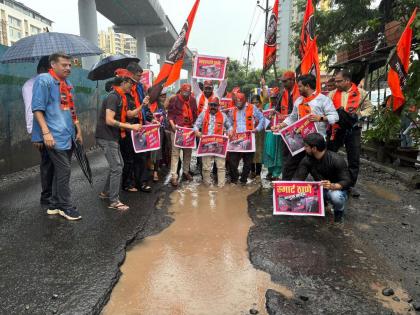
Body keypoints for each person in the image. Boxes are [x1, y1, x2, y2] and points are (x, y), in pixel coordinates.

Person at [32, 52, 83, 221]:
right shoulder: (44, 80)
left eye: (69, 65)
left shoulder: (67, 83)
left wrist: (78, 129)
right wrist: (45, 133)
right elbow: (37, 108)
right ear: (53, 65)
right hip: (54, 135)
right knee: (64, 170)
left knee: (58, 170)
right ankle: (65, 206)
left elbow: (71, 109)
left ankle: (54, 204)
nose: (68, 68)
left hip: (67, 134)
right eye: (64, 65)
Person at [275, 74, 339, 180]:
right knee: (289, 166)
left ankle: (322, 191)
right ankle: (287, 190)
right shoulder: (299, 101)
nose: (298, 89)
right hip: (301, 141)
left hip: (317, 143)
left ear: (307, 86)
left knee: (318, 170)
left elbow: (335, 117)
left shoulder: (323, 100)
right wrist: (280, 125)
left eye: (300, 86)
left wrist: (320, 118)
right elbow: (292, 118)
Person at [95, 72, 142, 211]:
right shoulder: (113, 97)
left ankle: (105, 192)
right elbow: (109, 120)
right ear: (123, 82)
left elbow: (129, 114)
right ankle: (114, 201)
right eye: (131, 83)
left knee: (118, 165)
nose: (133, 86)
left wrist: (143, 105)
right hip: (106, 136)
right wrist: (130, 126)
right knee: (117, 167)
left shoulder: (122, 97)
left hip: (113, 137)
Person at [328, 69, 373, 197]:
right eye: (335, 81)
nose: (336, 84)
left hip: (353, 130)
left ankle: (350, 185)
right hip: (336, 129)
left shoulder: (361, 93)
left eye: (339, 81)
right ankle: (331, 182)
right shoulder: (332, 94)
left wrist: (359, 115)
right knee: (330, 155)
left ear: (347, 81)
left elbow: (369, 108)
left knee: (353, 158)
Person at [293, 133, 352, 223]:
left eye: (306, 146)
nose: (304, 148)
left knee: (336, 196)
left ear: (314, 148)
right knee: (304, 190)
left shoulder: (336, 159)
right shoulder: (307, 159)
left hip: (336, 189)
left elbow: (347, 181)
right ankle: (322, 204)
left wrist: (333, 186)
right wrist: (280, 187)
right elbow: (297, 179)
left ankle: (339, 212)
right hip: (319, 189)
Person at [23, 56, 53, 207]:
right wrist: (35, 135)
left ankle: (54, 194)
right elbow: (31, 110)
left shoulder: (52, 82)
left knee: (56, 163)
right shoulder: (30, 85)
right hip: (41, 131)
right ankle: (46, 196)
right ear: (45, 69)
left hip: (54, 130)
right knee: (47, 163)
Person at [194, 96, 233, 186]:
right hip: (206, 144)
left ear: (218, 106)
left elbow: (229, 126)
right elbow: (196, 125)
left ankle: (221, 187)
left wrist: (230, 131)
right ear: (208, 105)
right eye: (211, 105)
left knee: (221, 167)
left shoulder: (223, 116)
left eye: (215, 105)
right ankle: (206, 186)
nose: (213, 107)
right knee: (206, 168)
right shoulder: (203, 114)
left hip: (219, 145)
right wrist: (196, 131)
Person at [228, 92, 265, 185]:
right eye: (237, 103)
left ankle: (243, 181)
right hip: (235, 138)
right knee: (232, 161)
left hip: (249, 138)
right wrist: (229, 130)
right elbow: (229, 123)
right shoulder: (233, 110)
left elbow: (262, 119)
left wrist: (257, 129)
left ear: (244, 101)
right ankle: (234, 179)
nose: (238, 105)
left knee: (248, 162)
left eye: (240, 103)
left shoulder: (252, 108)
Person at [167, 83, 198, 187]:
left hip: (188, 131)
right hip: (177, 130)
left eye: (188, 92)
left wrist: (194, 126)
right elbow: (170, 115)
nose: (186, 94)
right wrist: (173, 126)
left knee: (188, 153)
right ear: (180, 91)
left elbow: (195, 114)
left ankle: (185, 172)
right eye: (184, 92)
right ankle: (174, 176)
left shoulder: (193, 100)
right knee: (175, 154)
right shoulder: (174, 99)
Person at [145, 88, 168, 182]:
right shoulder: (145, 104)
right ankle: (146, 168)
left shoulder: (160, 105)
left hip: (159, 131)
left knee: (158, 151)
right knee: (145, 151)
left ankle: (155, 172)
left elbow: (164, 119)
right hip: (146, 131)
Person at [262, 87, 284, 180]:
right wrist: (269, 116)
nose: (273, 100)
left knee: (278, 152)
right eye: (272, 98)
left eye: (275, 98)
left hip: (280, 133)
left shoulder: (283, 106)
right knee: (269, 151)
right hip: (270, 132)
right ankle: (270, 171)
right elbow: (264, 120)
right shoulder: (267, 106)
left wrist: (278, 113)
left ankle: (276, 174)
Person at [249, 94, 265, 179]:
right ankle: (252, 171)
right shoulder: (248, 110)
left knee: (259, 152)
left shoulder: (262, 110)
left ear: (260, 102)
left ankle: (258, 174)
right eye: (253, 102)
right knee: (251, 151)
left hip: (260, 133)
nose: (255, 104)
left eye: (257, 102)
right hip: (251, 133)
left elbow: (265, 121)